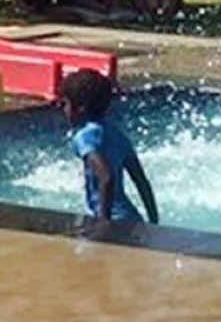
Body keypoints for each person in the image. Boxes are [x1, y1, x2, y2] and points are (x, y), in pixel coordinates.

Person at [59, 69, 158, 226]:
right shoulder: (117, 134)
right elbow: (141, 181)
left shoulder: (84, 137)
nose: (63, 109)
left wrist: (104, 222)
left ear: (81, 107)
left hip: (114, 221)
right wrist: (154, 221)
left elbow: (106, 176)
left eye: (65, 104)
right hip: (132, 220)